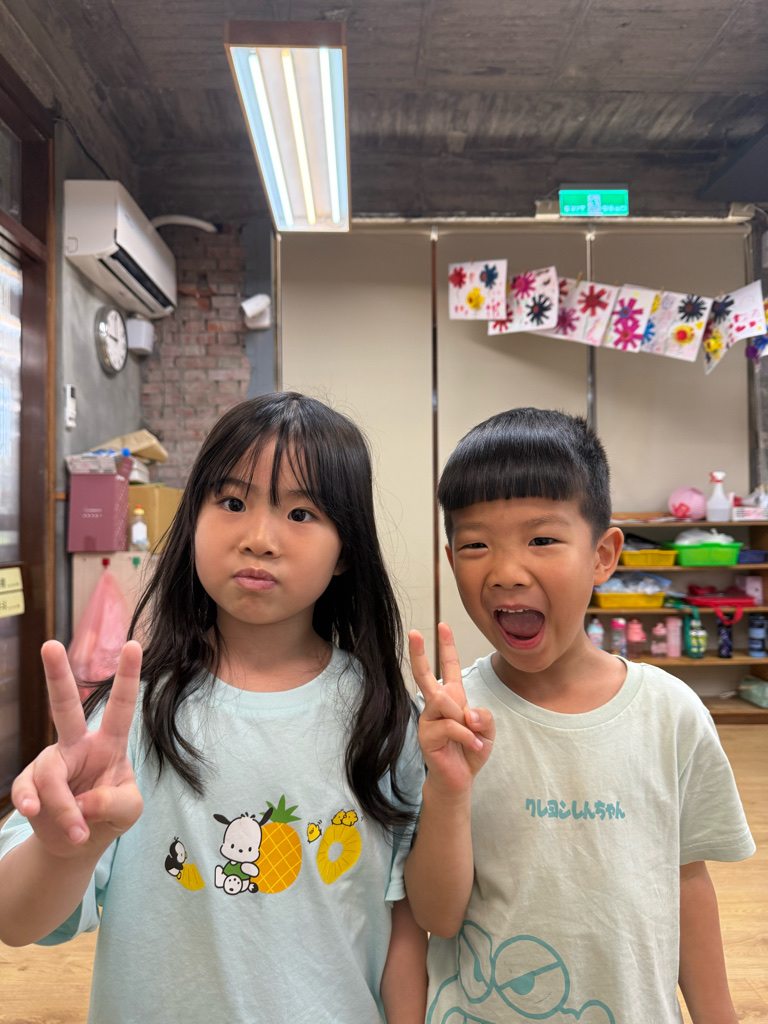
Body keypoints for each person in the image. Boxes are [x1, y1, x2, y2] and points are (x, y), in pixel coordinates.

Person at [0, 392, 428, 1024]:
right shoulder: (135, 719)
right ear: (193, 520)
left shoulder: (384, 718)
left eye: (301, 513)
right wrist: (66, 851)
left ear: (346, 551)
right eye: (231, 503)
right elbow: (15, 921)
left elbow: (404, 931)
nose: (259, 539)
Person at [405, 407, 755, 1024]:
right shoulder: (443, 725)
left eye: (541, 540)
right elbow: (437, 916)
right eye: (476, 545)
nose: (506, 572)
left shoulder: (670, 714)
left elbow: (686, 883)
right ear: (451, 559)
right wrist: (449, 792)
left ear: (603, 555)